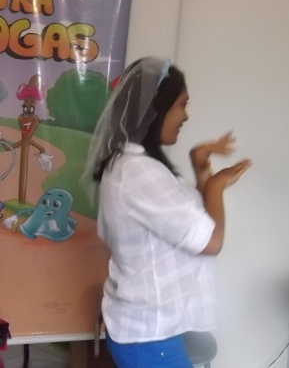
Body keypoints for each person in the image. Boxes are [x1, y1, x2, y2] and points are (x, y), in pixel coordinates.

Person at [84, 57, 252, 368]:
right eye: (181, 105)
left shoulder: (135, 165)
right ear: (156, 109)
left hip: (151, 330)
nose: (186, 115)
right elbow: (210, 241)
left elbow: (190, 221)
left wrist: (201, 168)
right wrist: (216, 185)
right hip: (149, 337)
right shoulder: (139, 173)